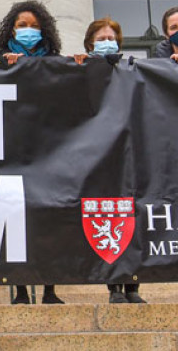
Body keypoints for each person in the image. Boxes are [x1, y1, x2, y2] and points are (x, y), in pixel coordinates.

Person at [0, 0, 64, 305]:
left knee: (48, 222)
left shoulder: (57, 60)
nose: (29, 30)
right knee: (15, 221)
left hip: (49, 151)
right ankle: (19, 288)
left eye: (34, 25)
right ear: (11, 28)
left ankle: (49, 288)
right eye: (22, 25)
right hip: (12, 151)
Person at [74, 18, 146, 304]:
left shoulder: (130, 68)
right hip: (97, 155)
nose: (107, 41)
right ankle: (114, 285)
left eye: (111, 37)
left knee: (131, 217)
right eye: (101, 37)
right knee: (106, 216)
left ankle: (133, 286)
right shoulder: (80, 68)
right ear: (90, 43)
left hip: (127, 152)